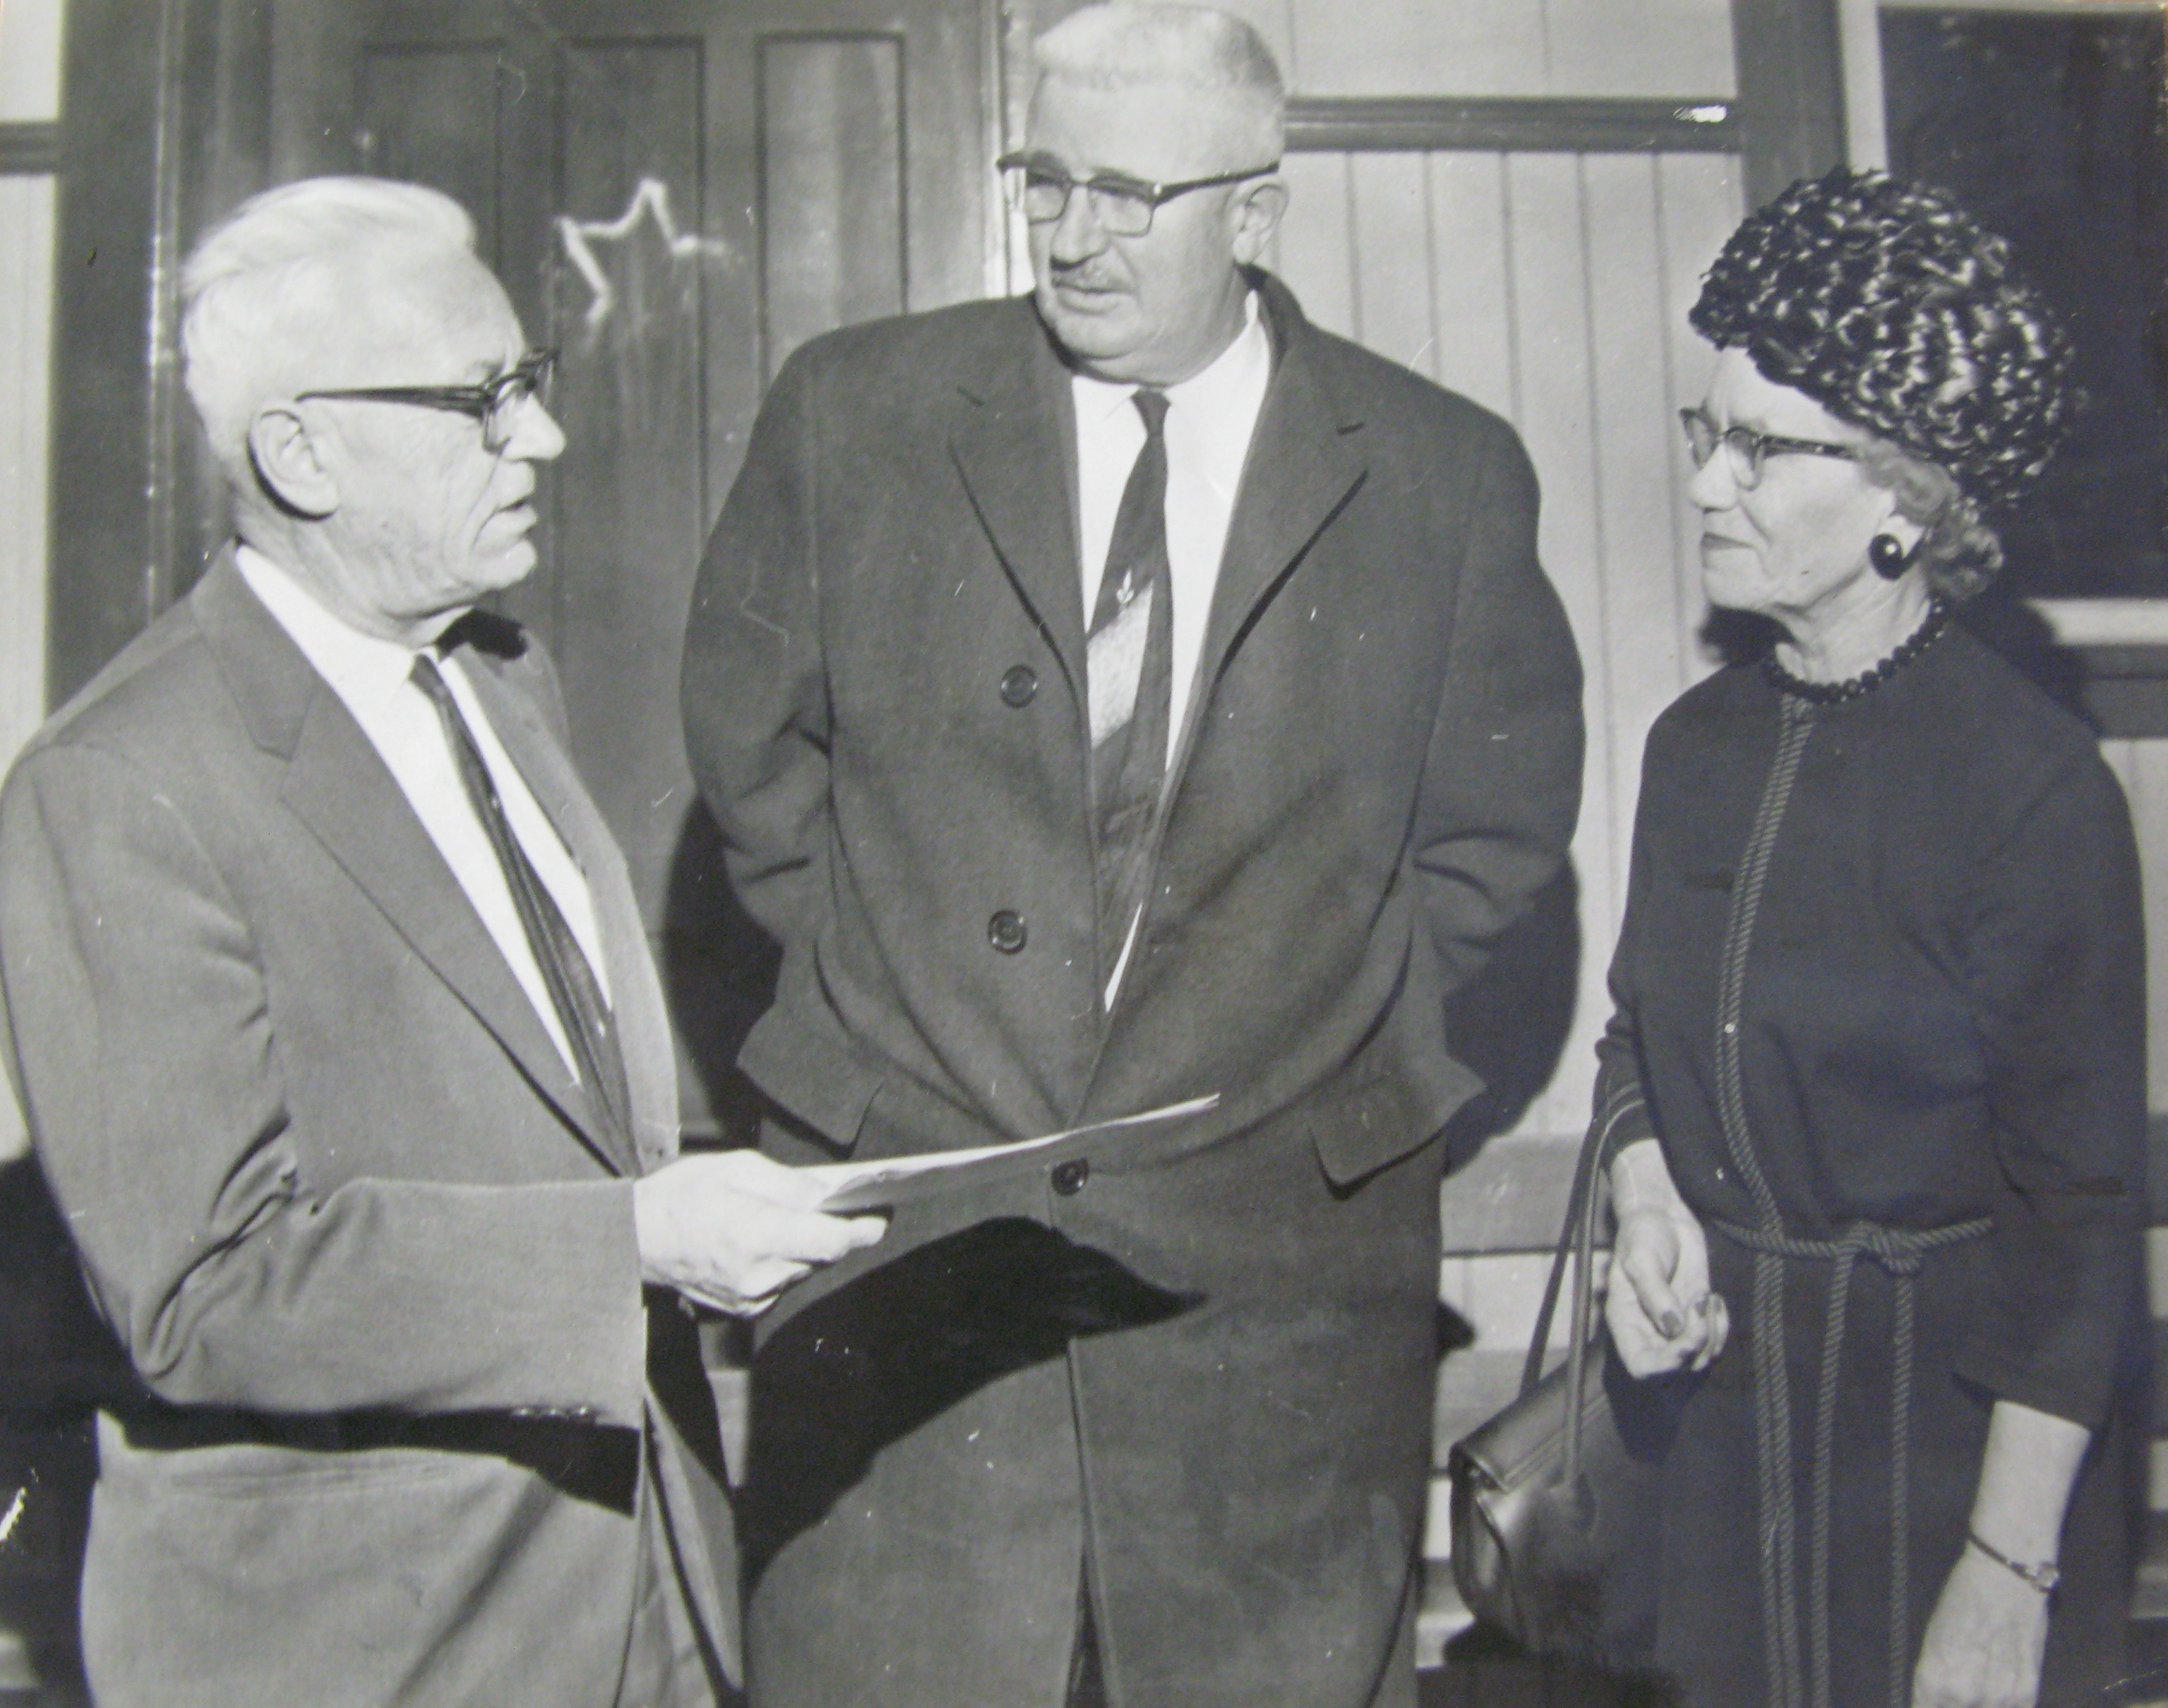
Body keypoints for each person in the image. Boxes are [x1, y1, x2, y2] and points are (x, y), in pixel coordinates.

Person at [678, 6, 1583, 1706]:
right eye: (1046, 180)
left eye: (1126, 193)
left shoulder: (1446, 476)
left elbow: (1493, 842)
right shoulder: (853, 414)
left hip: (1275, 1298)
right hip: (914, 1272)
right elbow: (751, 765)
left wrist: (1302, 1036)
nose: (1071, 235)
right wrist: (900, 1000)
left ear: (1256, 211)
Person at [0, 176, 883, 1708]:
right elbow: (208, 1286)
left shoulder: (498, 674)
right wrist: (640, 1239)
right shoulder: (115, 781)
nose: (538, 438)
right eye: (483, 402)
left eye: (527, 385)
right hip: (364, 1649)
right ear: (299, 450)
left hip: (635, 1596)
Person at [1597, 168, 2145, 1708]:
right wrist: (1651, 1200)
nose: (1710, 484)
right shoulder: (1692, 747)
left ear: (1907, 497)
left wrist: (2007, 1570)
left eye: (1765, 449)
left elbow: (2083, 1224)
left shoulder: (2033, 788)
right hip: (1722, 1433)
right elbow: (1640, 1035)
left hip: (1950, 1458)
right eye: (1713, 434)